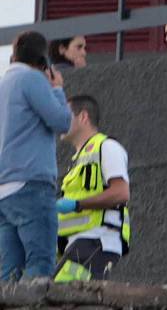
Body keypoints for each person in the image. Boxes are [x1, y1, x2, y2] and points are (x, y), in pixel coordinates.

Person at [0, 31, 72, 283]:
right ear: (44, 60)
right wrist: (57, 89)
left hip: (4, 190)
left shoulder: (3, 85)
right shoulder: (31, 80)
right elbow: (62, 121)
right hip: (31, 185)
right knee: (40, 262)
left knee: (8, 273)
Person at [54, 93, 131, 281]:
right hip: (79, 243)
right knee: (60, 299)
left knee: (63, 296)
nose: (60, 119)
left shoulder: (107, 147)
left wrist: (77, 204)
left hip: (97, 240)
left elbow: (121, 192)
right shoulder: (78, 160)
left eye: (65, 114)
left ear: (83, 117)